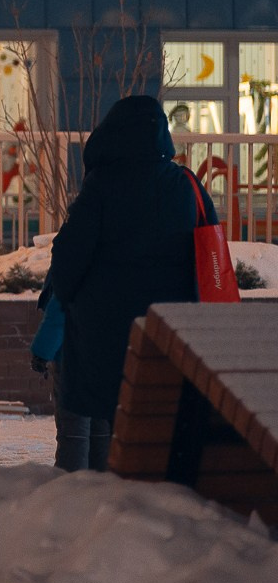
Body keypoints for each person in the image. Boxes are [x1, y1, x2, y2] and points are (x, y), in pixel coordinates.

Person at [41, 95, 198, 472]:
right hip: (168, 336)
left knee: (90, 424)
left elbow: (67, 260)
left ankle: (87, 502)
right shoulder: (184, 186)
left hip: (104, 338)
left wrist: (64, 299)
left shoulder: (102, 187)